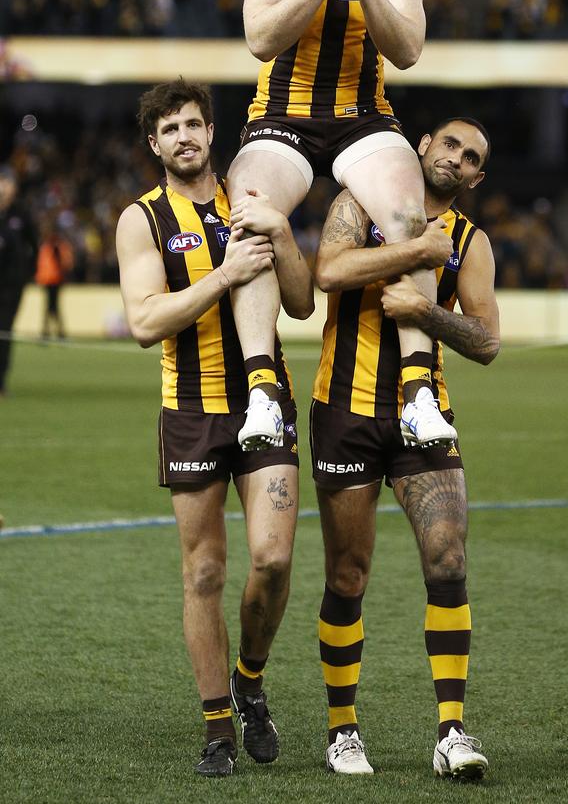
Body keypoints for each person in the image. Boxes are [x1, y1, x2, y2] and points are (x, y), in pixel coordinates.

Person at [228, 0, 454, 454]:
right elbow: (261, 38)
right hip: (283, 112)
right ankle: (263, 393)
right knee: (248, 208)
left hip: (362, 115)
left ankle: (418, 393)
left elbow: (407, 51)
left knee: (410, 213)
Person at [115, 79, 314, 778]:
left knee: (274, 559)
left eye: (192, 125)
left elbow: (298, 300)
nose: (183, 138)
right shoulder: (142, 219)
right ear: (154, 144)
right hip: (192, 411)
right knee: (203, 571)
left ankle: (250, 680)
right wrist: (222, 276)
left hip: (266, 401)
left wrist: (282, 235)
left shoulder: (251, 199)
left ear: (211, 132)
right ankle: (216, 730)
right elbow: (144, 322)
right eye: (169, 130)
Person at [310, 118, 500, 778]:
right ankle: (343, 730)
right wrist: (412, 255)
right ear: (422, 146)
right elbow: (327, 270)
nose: (455, 158)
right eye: (449, 144)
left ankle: (452, 732)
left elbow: (486, 340)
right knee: (347, 575)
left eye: (470, 157)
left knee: (448, 560)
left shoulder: (470, 244)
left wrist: (427, 314)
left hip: (426, 419)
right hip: (346, 410)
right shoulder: (359, 200)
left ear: (476, 179)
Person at [0, 166, 38, 396]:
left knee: (4, 332)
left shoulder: (20, 214)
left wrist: (26, 273)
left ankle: (1, 381)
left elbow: (34, 244)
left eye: (8, 182)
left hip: (11, 287)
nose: (5, 187)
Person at [34, 219, 74, 339]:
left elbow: (63, 263)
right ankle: (54, 332)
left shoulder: (54, 246)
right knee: (51, 307)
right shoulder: (47, 245)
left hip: (54, 280)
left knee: (52, 307)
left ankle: (52, 332)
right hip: (48, 279)